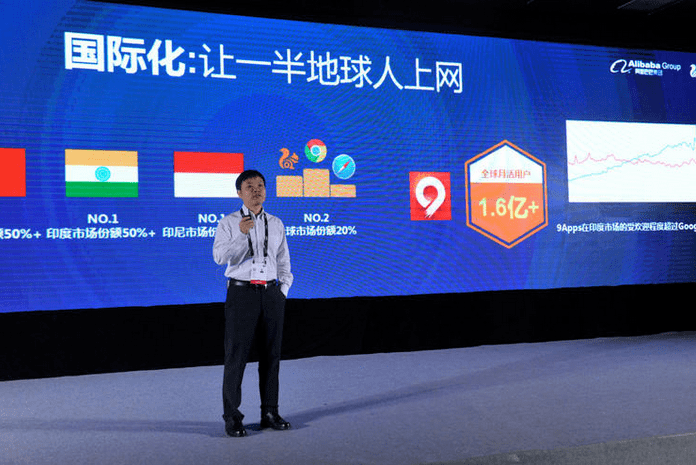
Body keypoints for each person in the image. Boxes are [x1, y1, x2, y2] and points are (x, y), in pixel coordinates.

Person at [212, 169, 293, 437]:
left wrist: (282, 290)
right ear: (239, 193)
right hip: (242, 293)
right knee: (236, 357)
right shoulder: (229, 223)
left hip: (271, 294)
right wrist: (241, 235)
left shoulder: (276, 223)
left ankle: (270, 411)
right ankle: (232, 417)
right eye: (250, 186)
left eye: (260, 185)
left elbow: (283, 260)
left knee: (271, 356)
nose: (256, 190)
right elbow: (219, 258)